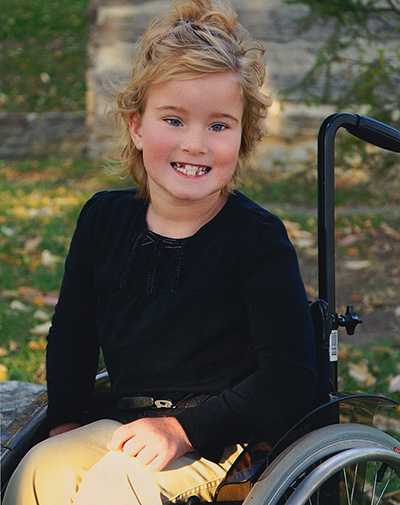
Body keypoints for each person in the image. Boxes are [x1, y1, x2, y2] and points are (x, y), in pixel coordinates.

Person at [3, 0, 318, 503]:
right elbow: (74, 334)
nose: (195, 143)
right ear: (136, 124)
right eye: (174, 120)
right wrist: (65, 418)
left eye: (219, 126)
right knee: (43, 469)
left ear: (243, 137)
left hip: (225, 439)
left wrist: (183, 428)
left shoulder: (255, 238)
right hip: (129, 424)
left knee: (114, 487)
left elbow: (290, 379)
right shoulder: (104, 220)